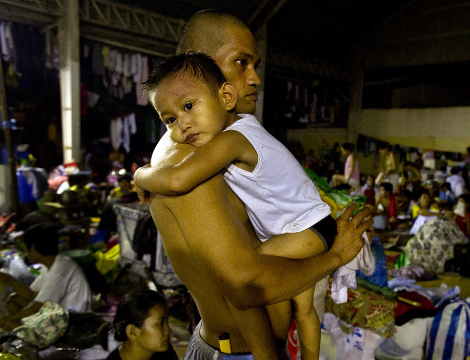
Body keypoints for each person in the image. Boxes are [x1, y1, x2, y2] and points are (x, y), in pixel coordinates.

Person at [136, 10, 374, 359]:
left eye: (254, 64)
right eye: (240, 62)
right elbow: (245, 287)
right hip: (235, 353)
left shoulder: (221, 143)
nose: (254, 78)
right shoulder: (188, 161)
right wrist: (336, 255)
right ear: (195, 64)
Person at [0, 222, 92, 331]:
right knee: (14, 300)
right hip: (57, 312)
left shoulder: (61, 268)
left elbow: (37, 308)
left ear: (34, 248)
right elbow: (31, 294)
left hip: (72, 322)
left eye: (26, 250)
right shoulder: (51, 265)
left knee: (11, 325)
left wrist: (3, 320)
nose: (26, 254)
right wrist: (10, 279)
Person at [98, 290, 177, 360]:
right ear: (132, 332)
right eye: (161, 323)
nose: (169, 330)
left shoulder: (164, 353)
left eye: (167, 321)